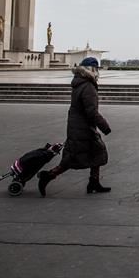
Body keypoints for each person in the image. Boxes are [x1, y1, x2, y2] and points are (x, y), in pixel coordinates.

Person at [38, 57, 113, 196]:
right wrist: (105, 126)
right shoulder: (88, 86)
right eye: (96, 69)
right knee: (72, 158)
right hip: (82, 127)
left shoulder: (80, 83)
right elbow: (91, 111)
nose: (98, 73)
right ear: (92, 70)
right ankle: (48, 176)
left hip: (78, 125)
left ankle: (94, 182)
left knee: (97, 151)